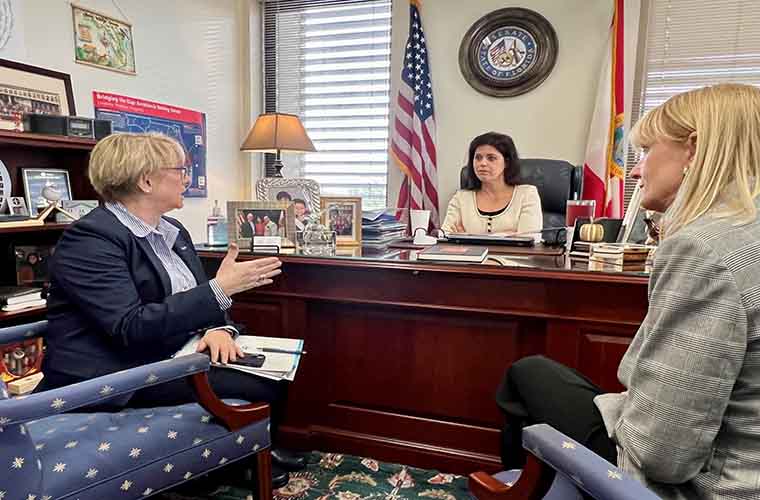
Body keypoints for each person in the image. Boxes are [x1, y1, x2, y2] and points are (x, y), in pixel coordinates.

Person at [498, 83, 760, 499]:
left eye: (646, 151)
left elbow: (662, 454)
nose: (636, 171)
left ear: (693, 150)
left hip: (710, 486)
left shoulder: (706, 248)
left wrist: (623, 409)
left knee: (528, 373)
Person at [38, 132, 302, 486]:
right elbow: (130, 326)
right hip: (121, 371)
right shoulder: (90, 241)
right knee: (260, 379)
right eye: (180, 170)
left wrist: (218, 329)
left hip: (174, 349)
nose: (186, 179)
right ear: (146, 181)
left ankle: (259, 449)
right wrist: (219, 291)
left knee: (277, 362)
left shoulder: (172, 229)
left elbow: (197, 295)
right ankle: (241, 459)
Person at [441, 132, 542, 235]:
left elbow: (529, 239)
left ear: (506, 162)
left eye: (491, 158)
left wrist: (468, 238)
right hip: (473, 252)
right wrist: (510, 235)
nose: (483, 163)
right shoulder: (460, 198)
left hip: (514, 252)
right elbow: (445, 236)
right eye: (478, 158)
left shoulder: (527, 195)